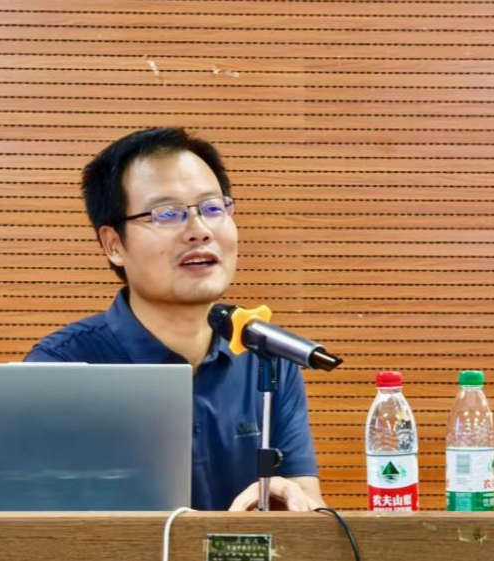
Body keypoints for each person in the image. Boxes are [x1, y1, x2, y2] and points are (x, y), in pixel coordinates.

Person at [25, 127, 324, 511]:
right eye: (167, 214)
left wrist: (290, 505)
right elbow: (35, 526)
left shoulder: (267, 356)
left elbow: (308, 505)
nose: (199, 231)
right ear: (114, 245)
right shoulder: (62, 367)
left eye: (213, 208)